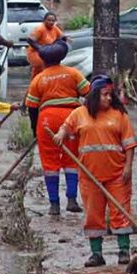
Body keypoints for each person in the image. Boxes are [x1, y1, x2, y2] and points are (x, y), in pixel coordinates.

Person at [54, 76, 137, 267]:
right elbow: (66, 127)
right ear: (94, 96)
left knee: (120, 212)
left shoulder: (120, 115)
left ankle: (124, 251)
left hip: (117, 175)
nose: (108, 98)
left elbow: (129, 144)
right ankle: (96, 254)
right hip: (89, 175)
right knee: (93, 214)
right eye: (104, 95)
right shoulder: (79, 114)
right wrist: (60, 134)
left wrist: (128, 167)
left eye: (111, 95)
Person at [25, 41, 90, 215]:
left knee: (50, 161)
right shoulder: (73, 73)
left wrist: (34, 130)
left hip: (47, 120)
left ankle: (54, 204)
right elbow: (89, 94)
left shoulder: (38, 79)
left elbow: (32, 107)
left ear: (43, 60)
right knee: (72, 159)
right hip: (72, 118)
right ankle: (71, 199)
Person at [26, 12, 66, 79]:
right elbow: (30, 40)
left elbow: (62, 37)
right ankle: (35, 83)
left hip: (48, 52)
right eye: (49, 20)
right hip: (36, 52)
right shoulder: (40, 29)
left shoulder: (55, 28)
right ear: (44, 20)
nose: (51, 22)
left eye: (53, 21)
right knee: (42, 64)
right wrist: (40, 49)